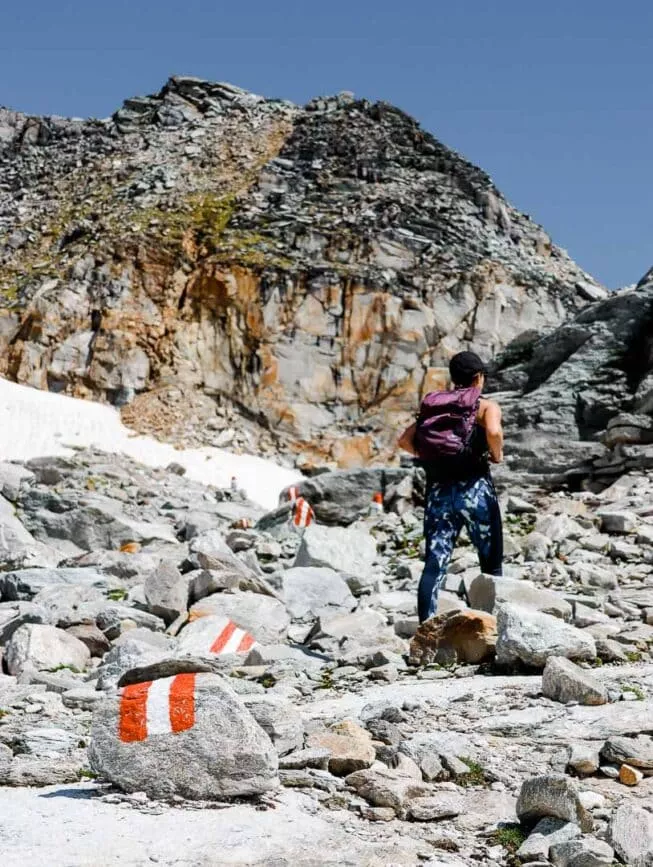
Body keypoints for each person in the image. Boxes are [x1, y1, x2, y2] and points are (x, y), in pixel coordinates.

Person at [398, 351, 504, 622]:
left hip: (438, 493)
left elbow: (404, 441)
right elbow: (493, 432)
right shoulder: (484, 406)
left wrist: (433, 457)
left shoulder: (437, 407)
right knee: (490, 563)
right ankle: (492, 630)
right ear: (479, 378)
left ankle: (426, 634)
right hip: (475, 489)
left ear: (454, 378)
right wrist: (497, 455)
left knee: (434, 564)